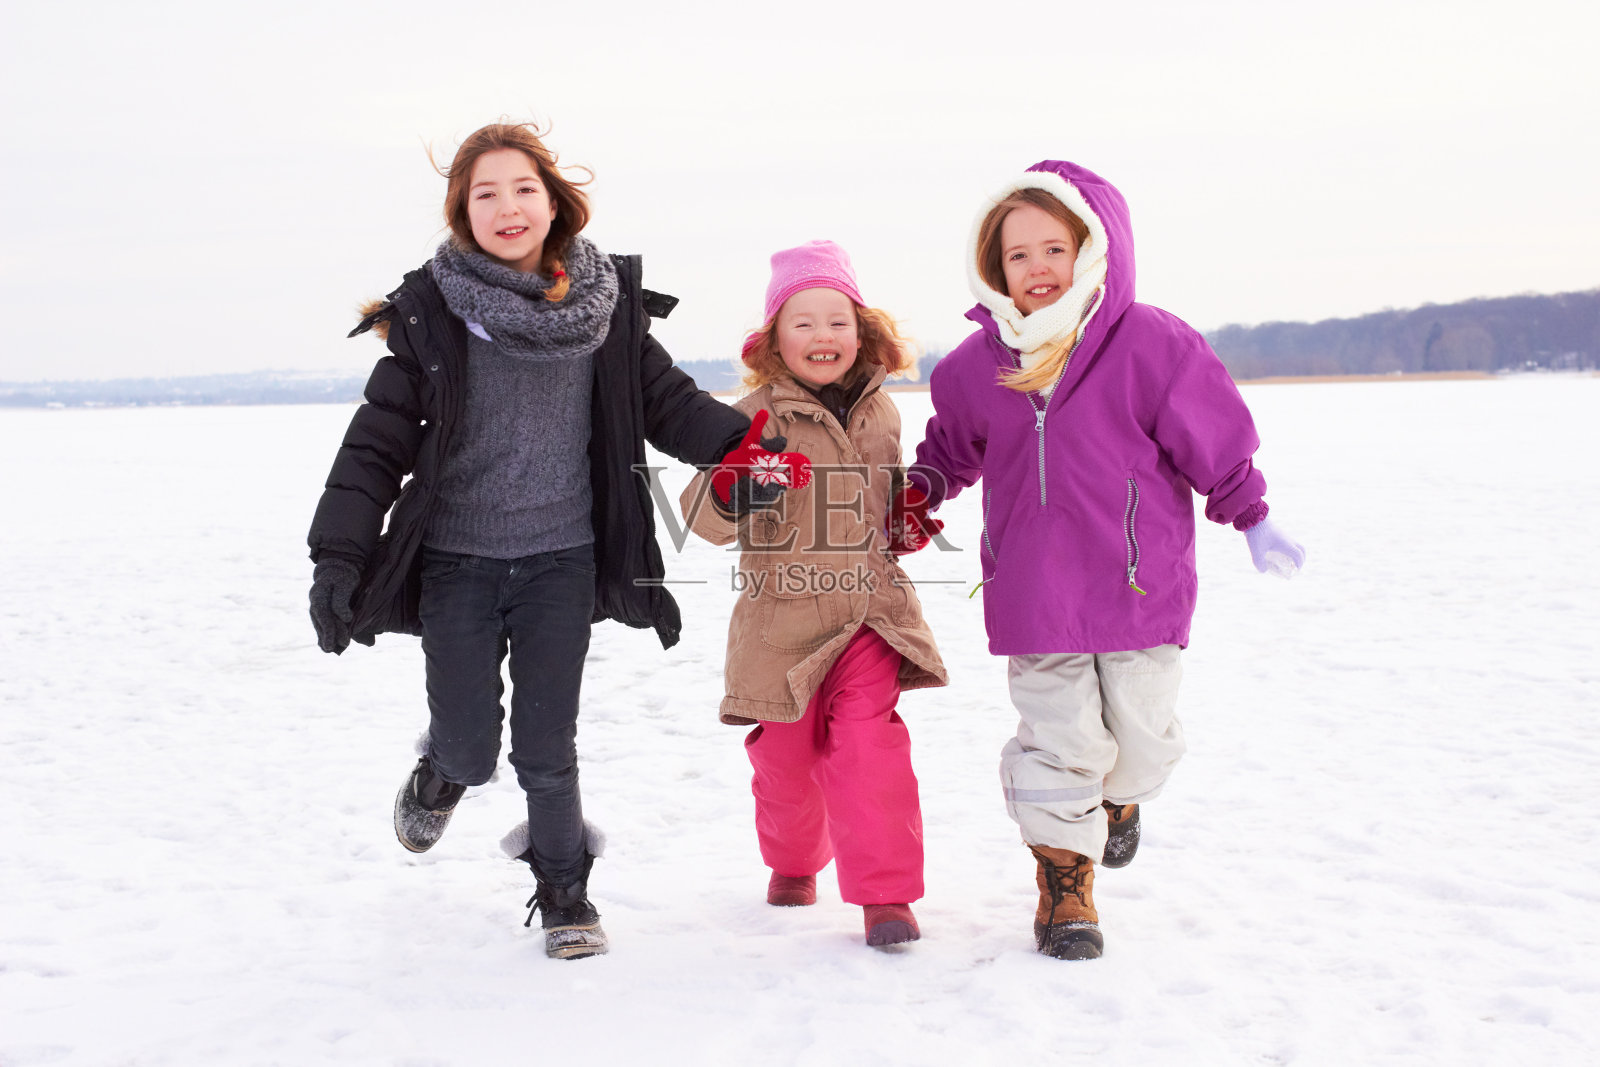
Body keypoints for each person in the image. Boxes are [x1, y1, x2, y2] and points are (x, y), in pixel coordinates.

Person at [305, 122, 789, 960]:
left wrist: (740, 450)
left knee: (545, 745)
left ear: (554, 200)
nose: (507, 206)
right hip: (457, 559)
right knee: (471, 744)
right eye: (484, 193)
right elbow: (375, 445)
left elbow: (665, 400)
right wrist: (338, 557)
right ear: (462, 213)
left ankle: (564, 886)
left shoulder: (602, 306)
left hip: (561, 558)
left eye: (522, 187)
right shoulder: (432, 315)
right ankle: (442, 770)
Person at [902, 161, 1306, 960]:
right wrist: (919, 496)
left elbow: (1211, 435)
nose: (1038, 268)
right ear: (996, 267)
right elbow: (950, 449)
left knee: (1142, 739)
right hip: (1034, 593)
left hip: (1139, 585)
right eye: (1018, 255)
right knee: (1062, 745)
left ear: (1095, 251)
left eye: (1055, 247)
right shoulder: (977, 364)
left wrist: (1248, 511)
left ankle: (1120, 802)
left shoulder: (1151, 343)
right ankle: (1065, 887)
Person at [679, 241, 947, 948]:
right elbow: (698, 515)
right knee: (787, 762)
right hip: (782, 622)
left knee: (870, 745)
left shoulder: (882, 414)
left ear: (863, 332)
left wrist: (902, 517)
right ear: (773, 340)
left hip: (868, 615)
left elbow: (881, 499)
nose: (822, 336)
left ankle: (886, 897)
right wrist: (737, 484)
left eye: (837, 320)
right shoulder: (752, 416)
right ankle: (795, 861)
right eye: (803, 322)